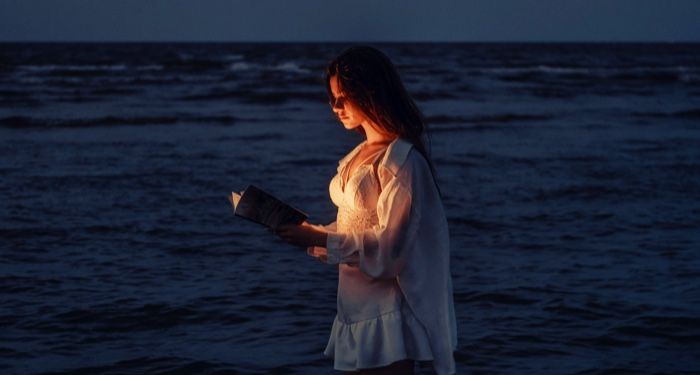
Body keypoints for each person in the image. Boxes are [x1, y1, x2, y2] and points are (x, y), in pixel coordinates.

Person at [275, 46, 458, 375]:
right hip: (352, 308)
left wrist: (321, 240)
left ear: (370, 91)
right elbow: (354, 225)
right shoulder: (355, 155)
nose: (336, 107)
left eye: (343, 97)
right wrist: (308, 234)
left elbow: (390, 247)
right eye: (332, 98)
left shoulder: (402, 162)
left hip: (388, 311)